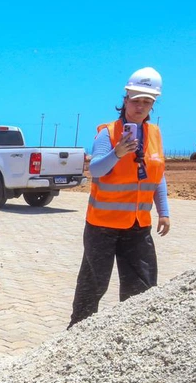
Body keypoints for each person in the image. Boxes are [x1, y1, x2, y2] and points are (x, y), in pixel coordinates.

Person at [68, 67, 170, 328]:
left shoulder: (155, 135)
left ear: (153, 105)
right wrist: (118, 152)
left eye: (147, 102)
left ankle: (133, 334)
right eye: (136, 101)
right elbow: (96, 170)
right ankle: (76, 333)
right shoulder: (108, 133)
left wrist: (164, 212)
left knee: (143, 285)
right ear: (125, 100)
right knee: (94, 284)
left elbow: (157, 175)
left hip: (138, 226)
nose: (140, 107)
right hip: (102, 227)